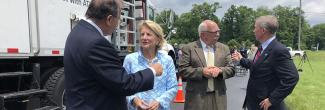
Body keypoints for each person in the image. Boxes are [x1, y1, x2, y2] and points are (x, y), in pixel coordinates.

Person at [64, 0, 163, 110]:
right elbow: (124, 83)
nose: (119, 22)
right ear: (109, 19)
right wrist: (152, 71)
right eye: (119, 16)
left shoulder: (78, 31)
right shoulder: (97, 43)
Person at [231, 15, 299, 110]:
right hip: (254, 103)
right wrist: (241, 59)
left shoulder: (278, 50)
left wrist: (272, 99)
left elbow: (291, 78)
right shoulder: (262, 47)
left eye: (255, 27)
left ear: (263, 30)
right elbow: (257, 66)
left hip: (267, 106)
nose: (253, 31)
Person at [179, 20, 235, 110]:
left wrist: (220, 71)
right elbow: (182, 70)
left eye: (219, 31)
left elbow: (232, 69)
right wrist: (202, 72)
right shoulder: (189, 48)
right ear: (203, 34)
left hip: (218, 98)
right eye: (215, 32)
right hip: (196, 98)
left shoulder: (224, 48)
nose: (218, 34)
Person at [123, 20, 177, 110]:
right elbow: (123, 86)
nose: (144, 37)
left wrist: (159, 102)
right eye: (142, 34)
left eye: (148, 34)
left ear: (158, 39)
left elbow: (173, 87)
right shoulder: (130, 59)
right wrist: (133, 100)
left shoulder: (167, 60)